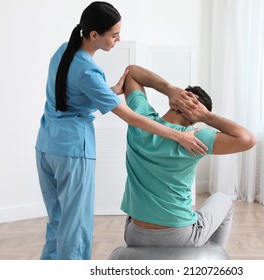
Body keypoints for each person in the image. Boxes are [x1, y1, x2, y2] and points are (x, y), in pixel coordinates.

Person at [35, 1, 207, 260]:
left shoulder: (64, 51)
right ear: (95, 35)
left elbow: (72, 92)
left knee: (57, 220)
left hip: (46, 145)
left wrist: (111, 91)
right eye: (114, 35)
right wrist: (177, 134)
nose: (118, 39)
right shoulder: (89, 70)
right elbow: (132, 117)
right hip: (72, 150)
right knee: (76, 224)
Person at [120, 65, 256, 249]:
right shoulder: (193, 139)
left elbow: (132, 72)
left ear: (173, 102)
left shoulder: (140, 120)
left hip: (135, 235)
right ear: (195, 118)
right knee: (223, 200)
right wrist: (207, 116)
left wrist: (169, 90)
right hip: (180, 236)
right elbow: (247, 139)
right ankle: (213, 261)